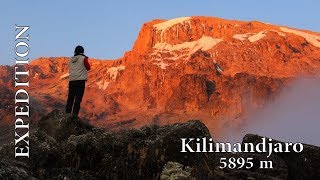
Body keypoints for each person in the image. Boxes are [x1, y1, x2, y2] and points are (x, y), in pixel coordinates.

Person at [65, 45, 91, 117]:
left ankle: (67, 114)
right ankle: (74, 116)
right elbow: (88, 68)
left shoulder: (70, 60)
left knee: (70, 98)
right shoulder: (83, 59)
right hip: (80, 82)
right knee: (78, 99)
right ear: (82, 51)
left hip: (72, 81)